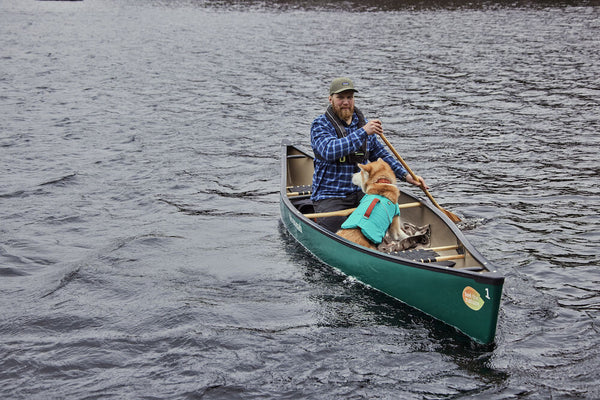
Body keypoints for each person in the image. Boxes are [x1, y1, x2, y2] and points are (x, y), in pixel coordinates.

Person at [310, 77, 427, 232]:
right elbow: (329, 150)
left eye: (349, 97)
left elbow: (381, 155)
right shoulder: (320, 125)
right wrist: (364, 132)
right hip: (330, 195)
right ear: (331, 99)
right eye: (340, 98)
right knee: (338, 229)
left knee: (382, 220)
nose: (346, 102)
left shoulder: (362, 124)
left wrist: (406, 176)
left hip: (361, 192)